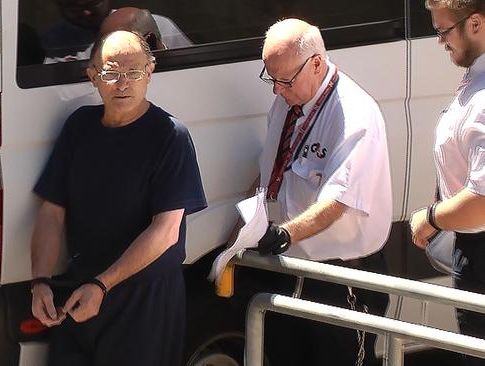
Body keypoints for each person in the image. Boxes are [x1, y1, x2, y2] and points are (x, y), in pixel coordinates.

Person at [30, 30, 207, 366]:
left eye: (134, 73)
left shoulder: (170, 136)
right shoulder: (79, 127)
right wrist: (40, 281)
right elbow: (52, 213)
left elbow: (166, 231)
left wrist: (102, 285)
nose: (123, 84)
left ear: (150, 73)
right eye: (111, 73)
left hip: (144, 305)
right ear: (93, 76)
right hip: (78, 293)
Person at [234, 18, 392, 365]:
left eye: (284, 80)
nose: (276, 89)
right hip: (290, 266)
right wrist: (244, 223)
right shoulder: (288, 100)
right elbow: (272, 170)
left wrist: (285, 233)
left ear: (317, 63)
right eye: (270, 78)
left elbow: (337, 202)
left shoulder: (353, 113)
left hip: (340, 277)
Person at [409, 1, 485, 365]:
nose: (439, 41)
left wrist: (432, 217)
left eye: (443, 31)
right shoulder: (477, 78)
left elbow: (483, 201)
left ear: (475, 23)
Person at [42, 0, 191, 63]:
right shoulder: (53, 39)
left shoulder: (156, 24)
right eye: (74, 7)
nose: (86, 12)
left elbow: (190, 68)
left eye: (94, 3)